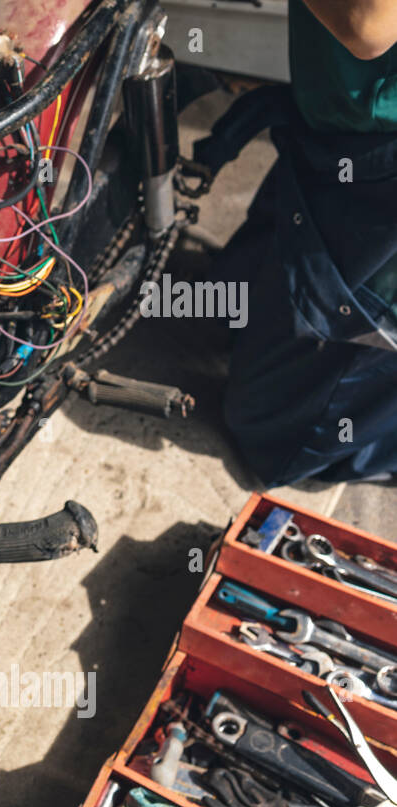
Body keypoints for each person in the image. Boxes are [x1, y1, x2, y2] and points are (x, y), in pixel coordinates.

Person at [207, 0, 397, 485]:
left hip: (379, 177)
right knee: (219, 308)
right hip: (336, 132)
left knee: (271, 435)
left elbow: (368, 24)